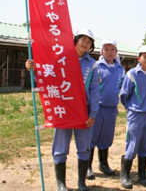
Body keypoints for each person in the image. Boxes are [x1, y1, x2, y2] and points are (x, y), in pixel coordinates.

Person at [25, 28, 100, 191]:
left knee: (84, 148)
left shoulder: (92, 65)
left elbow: (95, 91)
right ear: (75, 39)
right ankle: (61, 184)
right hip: (63, 109)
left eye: (89, 42)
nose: (85, 44)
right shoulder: (60, 58)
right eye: (83, 39)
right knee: (60, 148)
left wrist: (93, 113)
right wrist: (33, 70)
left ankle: (81, 182)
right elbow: (46, 77)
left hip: (83, 112)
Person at [119, 45, 146, 189]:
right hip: (136, 114)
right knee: (133, 143)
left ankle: (142, 173)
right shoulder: (132, 74)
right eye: (144, 56)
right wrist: (132, 108)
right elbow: (124, 95)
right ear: (139, 58)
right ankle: (125, 175)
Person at [87, 38, 125, 180]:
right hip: (96, 108)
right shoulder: (96, 66)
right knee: (91, 137)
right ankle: (87, 166)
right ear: (102, 51)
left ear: (116, 51)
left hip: (111, 108)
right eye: (106, 49)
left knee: (106, 138)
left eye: (112, 49)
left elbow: (123, 87)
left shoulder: (120, 69)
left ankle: (103, 164)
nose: (109, 52)